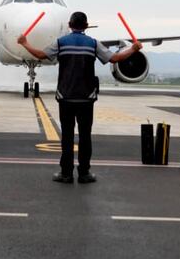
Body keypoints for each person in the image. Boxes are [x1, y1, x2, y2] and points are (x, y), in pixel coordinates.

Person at [18, 11, 142, 184]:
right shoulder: (93, 44)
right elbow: (115, 58)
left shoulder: (61, 43)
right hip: (86, 98)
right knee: (85, 137)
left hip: (66, 97)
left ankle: (66, 174)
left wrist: (24, 43)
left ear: (69, 25)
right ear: (86, 26)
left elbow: (40, 55)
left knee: (67, 137)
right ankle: (84, 173)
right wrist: (133, 49)